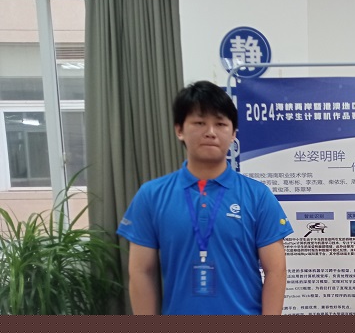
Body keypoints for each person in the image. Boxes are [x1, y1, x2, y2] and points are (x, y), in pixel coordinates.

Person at [117, 80, 293, 315]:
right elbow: (141, 272)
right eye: (199, 123)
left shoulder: (258, 196)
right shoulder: (151, 195)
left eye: (220, 124)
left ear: (233, 134)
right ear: (179, 130)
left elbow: (276, 271)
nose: (210, 132)